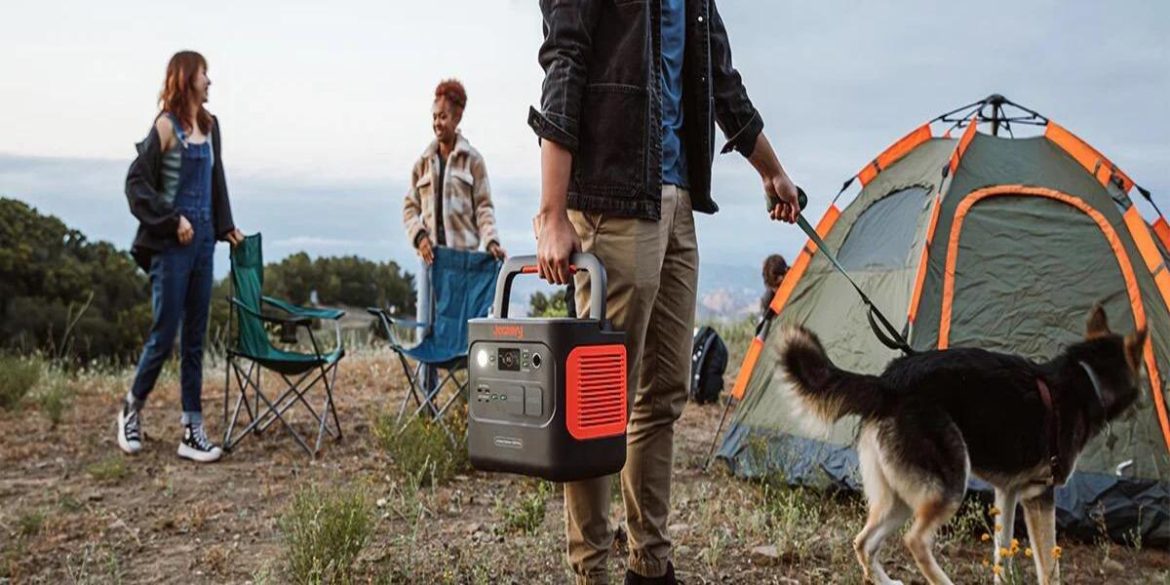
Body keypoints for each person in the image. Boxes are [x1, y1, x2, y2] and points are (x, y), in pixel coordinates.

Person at [529, 2, 800, 583]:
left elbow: (720, 80)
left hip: (676, 203)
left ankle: (650, 564)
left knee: (664, 397)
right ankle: (591, 570)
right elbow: (565, 59)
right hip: (612, 200)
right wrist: (552, 211)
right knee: (598, 403)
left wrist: (770, 170)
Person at [119, 51, 245, 463]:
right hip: (172, 247)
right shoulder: (166, 126)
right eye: (205, 73)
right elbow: (136, 183)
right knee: (164, 331)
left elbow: (217, 177)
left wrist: (226, 226)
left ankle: (192, 429)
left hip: (205, 243)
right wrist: (172, 220)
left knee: (195, 337)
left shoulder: (212, 127)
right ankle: (131, 409)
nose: (210, 81)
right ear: (187, 77)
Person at [403, 79, 506, 265]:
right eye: (434, 117)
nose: (437, 123)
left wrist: (491, 242)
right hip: (430, 262)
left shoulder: (473, 161)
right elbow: (409, 209)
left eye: (442, 117)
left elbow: (484, 208)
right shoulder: (422, 164)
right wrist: (420, 237)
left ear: (457, 118)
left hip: (463, 264)